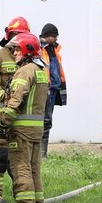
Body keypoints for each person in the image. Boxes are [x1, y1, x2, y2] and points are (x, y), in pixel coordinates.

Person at [0, 32, 49, 203]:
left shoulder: (24, 71)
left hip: (21, 131)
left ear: (27, 50)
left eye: (17, 49)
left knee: (20, 167)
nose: (14, 52)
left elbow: (16, 100)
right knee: (33, 167)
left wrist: (3, 124)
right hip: (35, 130)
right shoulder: (40, 71)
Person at [0, 17, 30, 203]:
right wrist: (3, 97)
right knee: (0, 156)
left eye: (22, 35)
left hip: (23, 117)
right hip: (3, 114)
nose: (17, 38)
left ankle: (21, 195)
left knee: (20, 158)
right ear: (8, 35)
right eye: (15, 34)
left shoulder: (28, 56)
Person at [39, 22, 67, 158]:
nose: (56, 39)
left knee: (47, 120)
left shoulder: (53, 49)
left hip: (53, 89)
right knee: (44, 120)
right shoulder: (39, 49)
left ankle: (43, 153)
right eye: (54, 36)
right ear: (48, 36)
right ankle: (41, 154)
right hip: (45, 89)